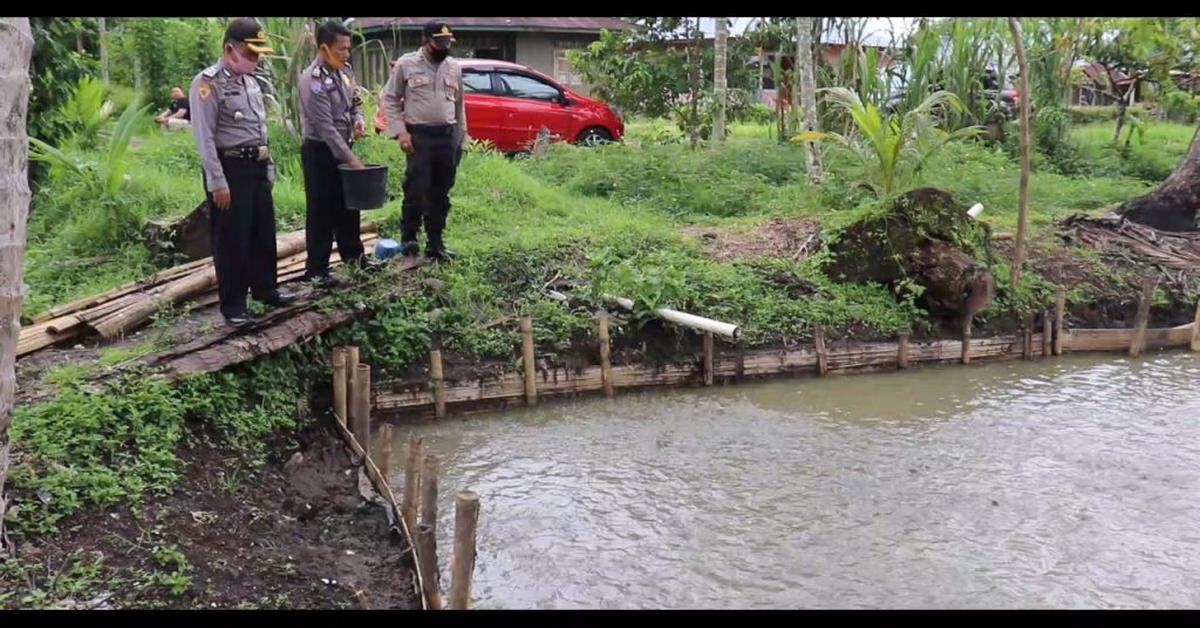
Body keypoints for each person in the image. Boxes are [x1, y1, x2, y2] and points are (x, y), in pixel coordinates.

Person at [189, 18, 296, 328]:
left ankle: (266, 289)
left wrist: (269, 167)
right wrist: (217, 180)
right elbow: (204, 137)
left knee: (262, 231)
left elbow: (259, 131)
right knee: (232, 237)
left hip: (256, 165)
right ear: (229, 49)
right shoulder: (208, 83)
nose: (256, 59)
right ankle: (234, 304)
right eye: (250, 53)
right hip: (229, 167)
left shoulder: (251, 82)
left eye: (258, 53)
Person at [381, 19, 469, 262]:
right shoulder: (406, 64)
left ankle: (435, 242)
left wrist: (462, 138)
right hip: (419, 136)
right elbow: (390, 98)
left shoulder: (453, 67)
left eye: (447, 43)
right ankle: (409, 238)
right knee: (416, 189)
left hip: (447, 137)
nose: (444, 48)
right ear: (425, 41)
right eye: (438, 43)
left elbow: (460, 105)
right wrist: (401, 132)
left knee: (441, 192)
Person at [297, 20, 367, 284]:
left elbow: (355, 101)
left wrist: (358, 119)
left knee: (349, 206)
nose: (346, 54)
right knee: (321, 210)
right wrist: (351, 160)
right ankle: (317, 270)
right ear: (324, 48)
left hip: (344, 146)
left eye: (348, 49)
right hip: (321, 153)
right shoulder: (312, 80)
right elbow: (326, 129)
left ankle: (355, 260)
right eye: (341, 49)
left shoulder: (344, 71)